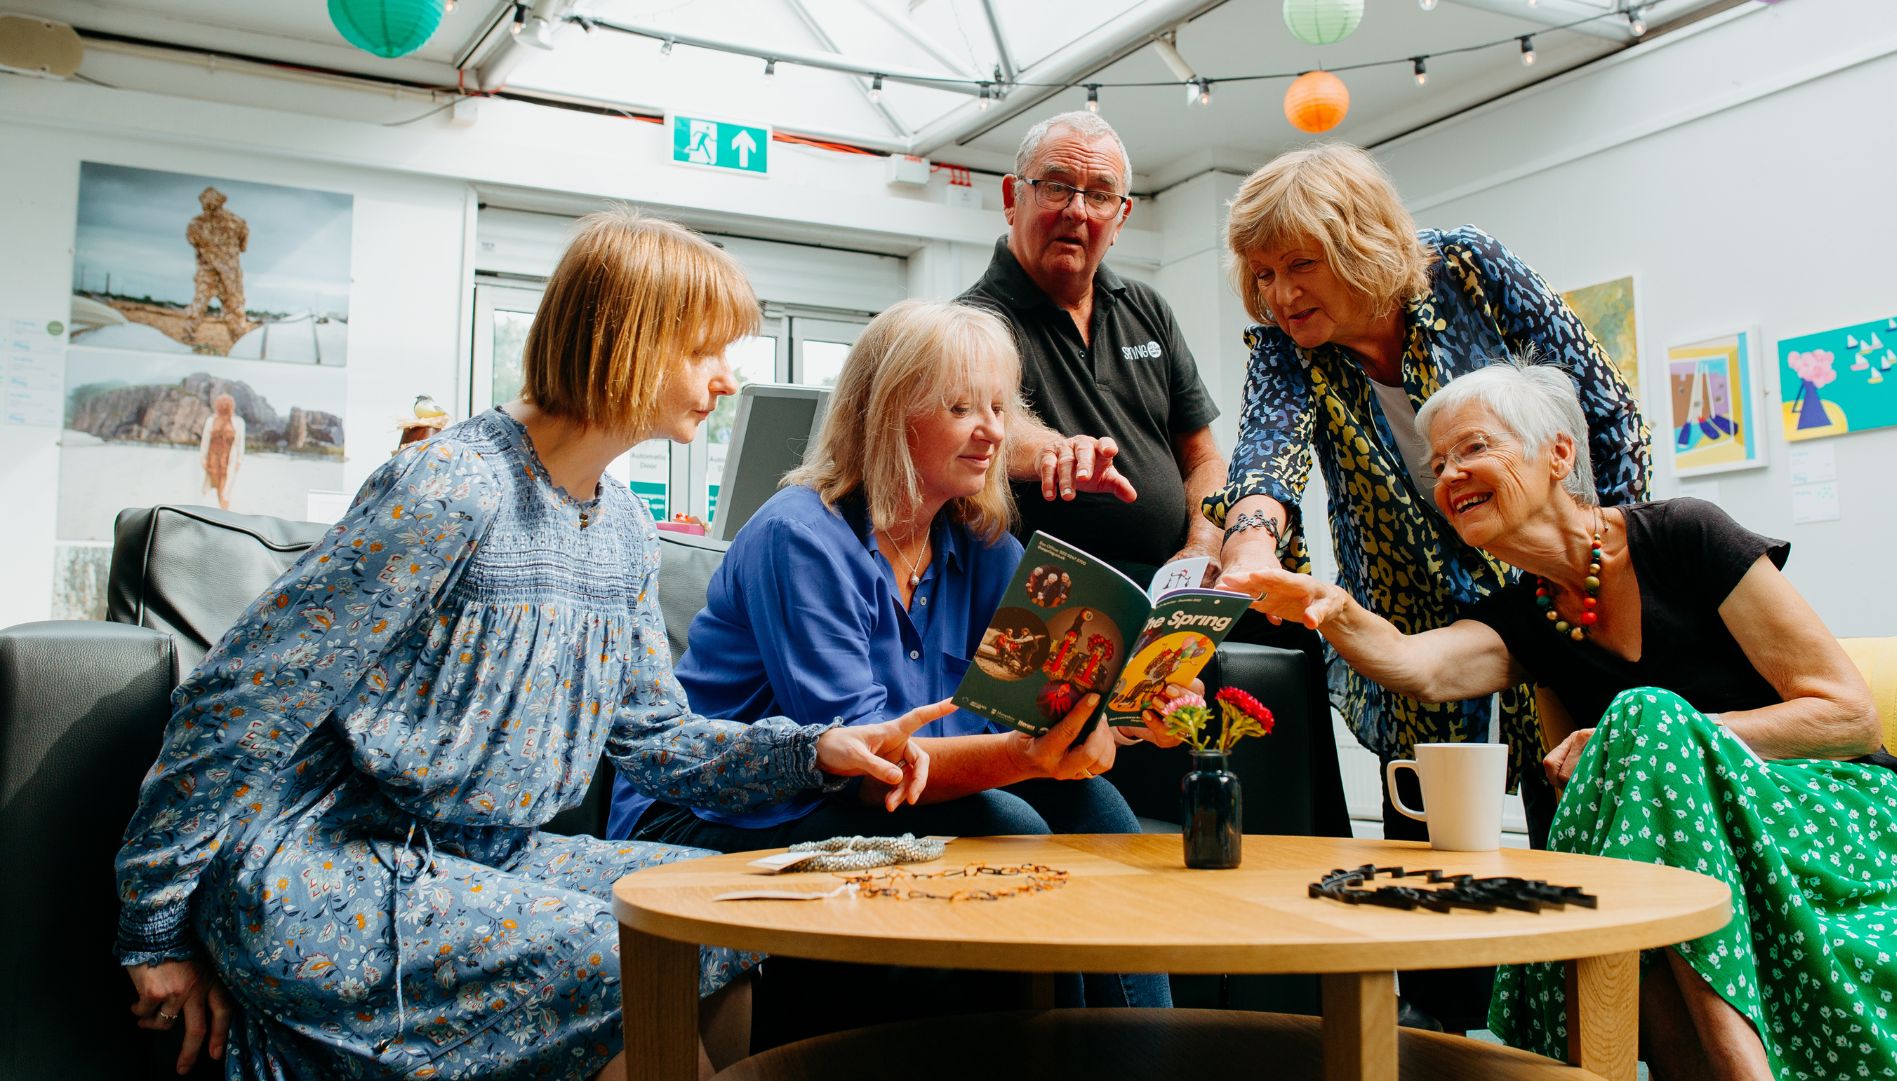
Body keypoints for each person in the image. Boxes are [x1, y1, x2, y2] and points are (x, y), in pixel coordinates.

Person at [115, 212, 949, 1081]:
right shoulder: (449, 488)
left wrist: (818, 751)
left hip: (485, 852)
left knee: (718, 916)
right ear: (629, 342)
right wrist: (153, 922)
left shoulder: (623, 526)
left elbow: (655, 739)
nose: (727, 381)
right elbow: (243, 700)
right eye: (705, 352)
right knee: (631, 952)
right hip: (329, 860)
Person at [1222, 360, 1897, 1079]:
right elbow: (1417, 664)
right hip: (1684, 855)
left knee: (1646, 720)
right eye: (1436, 465)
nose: (1449, 476)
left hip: (1829, 811)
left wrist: (1665, 739)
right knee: (1631, 810)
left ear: (1558, 454)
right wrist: (1330, 608)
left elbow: (1850, 715)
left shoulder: (1685, 534)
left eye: (1473, 448)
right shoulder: (1529, 614)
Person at [606, 299, 1181, 1008]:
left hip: (886, 793)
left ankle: (1144, 1056)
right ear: (888, 413)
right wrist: (1027, 757)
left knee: (1093, 802)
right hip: (724, 805)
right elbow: (869, 772)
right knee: (1006, 827)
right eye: (962, 407)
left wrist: (1126, 711)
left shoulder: (975, 542)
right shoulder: (801, 536)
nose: (994, 432)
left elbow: (1048, 698)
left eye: (999, 407)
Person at [1209, 142, 1653, 840]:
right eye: (1263, 273)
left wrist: (1602, 559)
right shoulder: (1285, 347)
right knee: (1431, 843)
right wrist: (1250, 547)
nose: (1281, 295)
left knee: (1578, 810)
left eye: (1301, 265)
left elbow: (1604, 409)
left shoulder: (1468, 270)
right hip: (1412, 613)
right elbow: (1264, 464)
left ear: (1357, 243)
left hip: (1553, 588)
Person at [957, 110, 1227, 591]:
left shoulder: (1147, 308)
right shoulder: (971, 323)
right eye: (1056, 187)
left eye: (1100, 195)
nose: (1077, 212)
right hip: (1048, 593)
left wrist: (1203, 547)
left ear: (1120, 217)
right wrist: (1055, 451)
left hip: (1170, 582)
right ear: (1011, 198)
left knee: (1303, 633)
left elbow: (1203, 458)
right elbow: (998, 430)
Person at [183, 185, 250, 345]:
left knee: (204, 306)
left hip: (213, 273)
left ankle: (187, 338)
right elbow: (243, 246)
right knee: (234, 310)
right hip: (226, 274)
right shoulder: (237, 222)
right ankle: (241, 345)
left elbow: (193, 242)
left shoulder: (196, 224)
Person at [198, 391, 245, 510]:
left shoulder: (238, 422)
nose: (224, 405)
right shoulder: (211, 420)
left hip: (228, 460)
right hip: (213, 459)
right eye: (222, 403)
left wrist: (239, 459)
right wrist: (203, 457)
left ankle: (225, 512)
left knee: (225, 490)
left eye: (226, 403)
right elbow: (205, 440)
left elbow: (240, 443)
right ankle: (223, 511)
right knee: (219, 488)